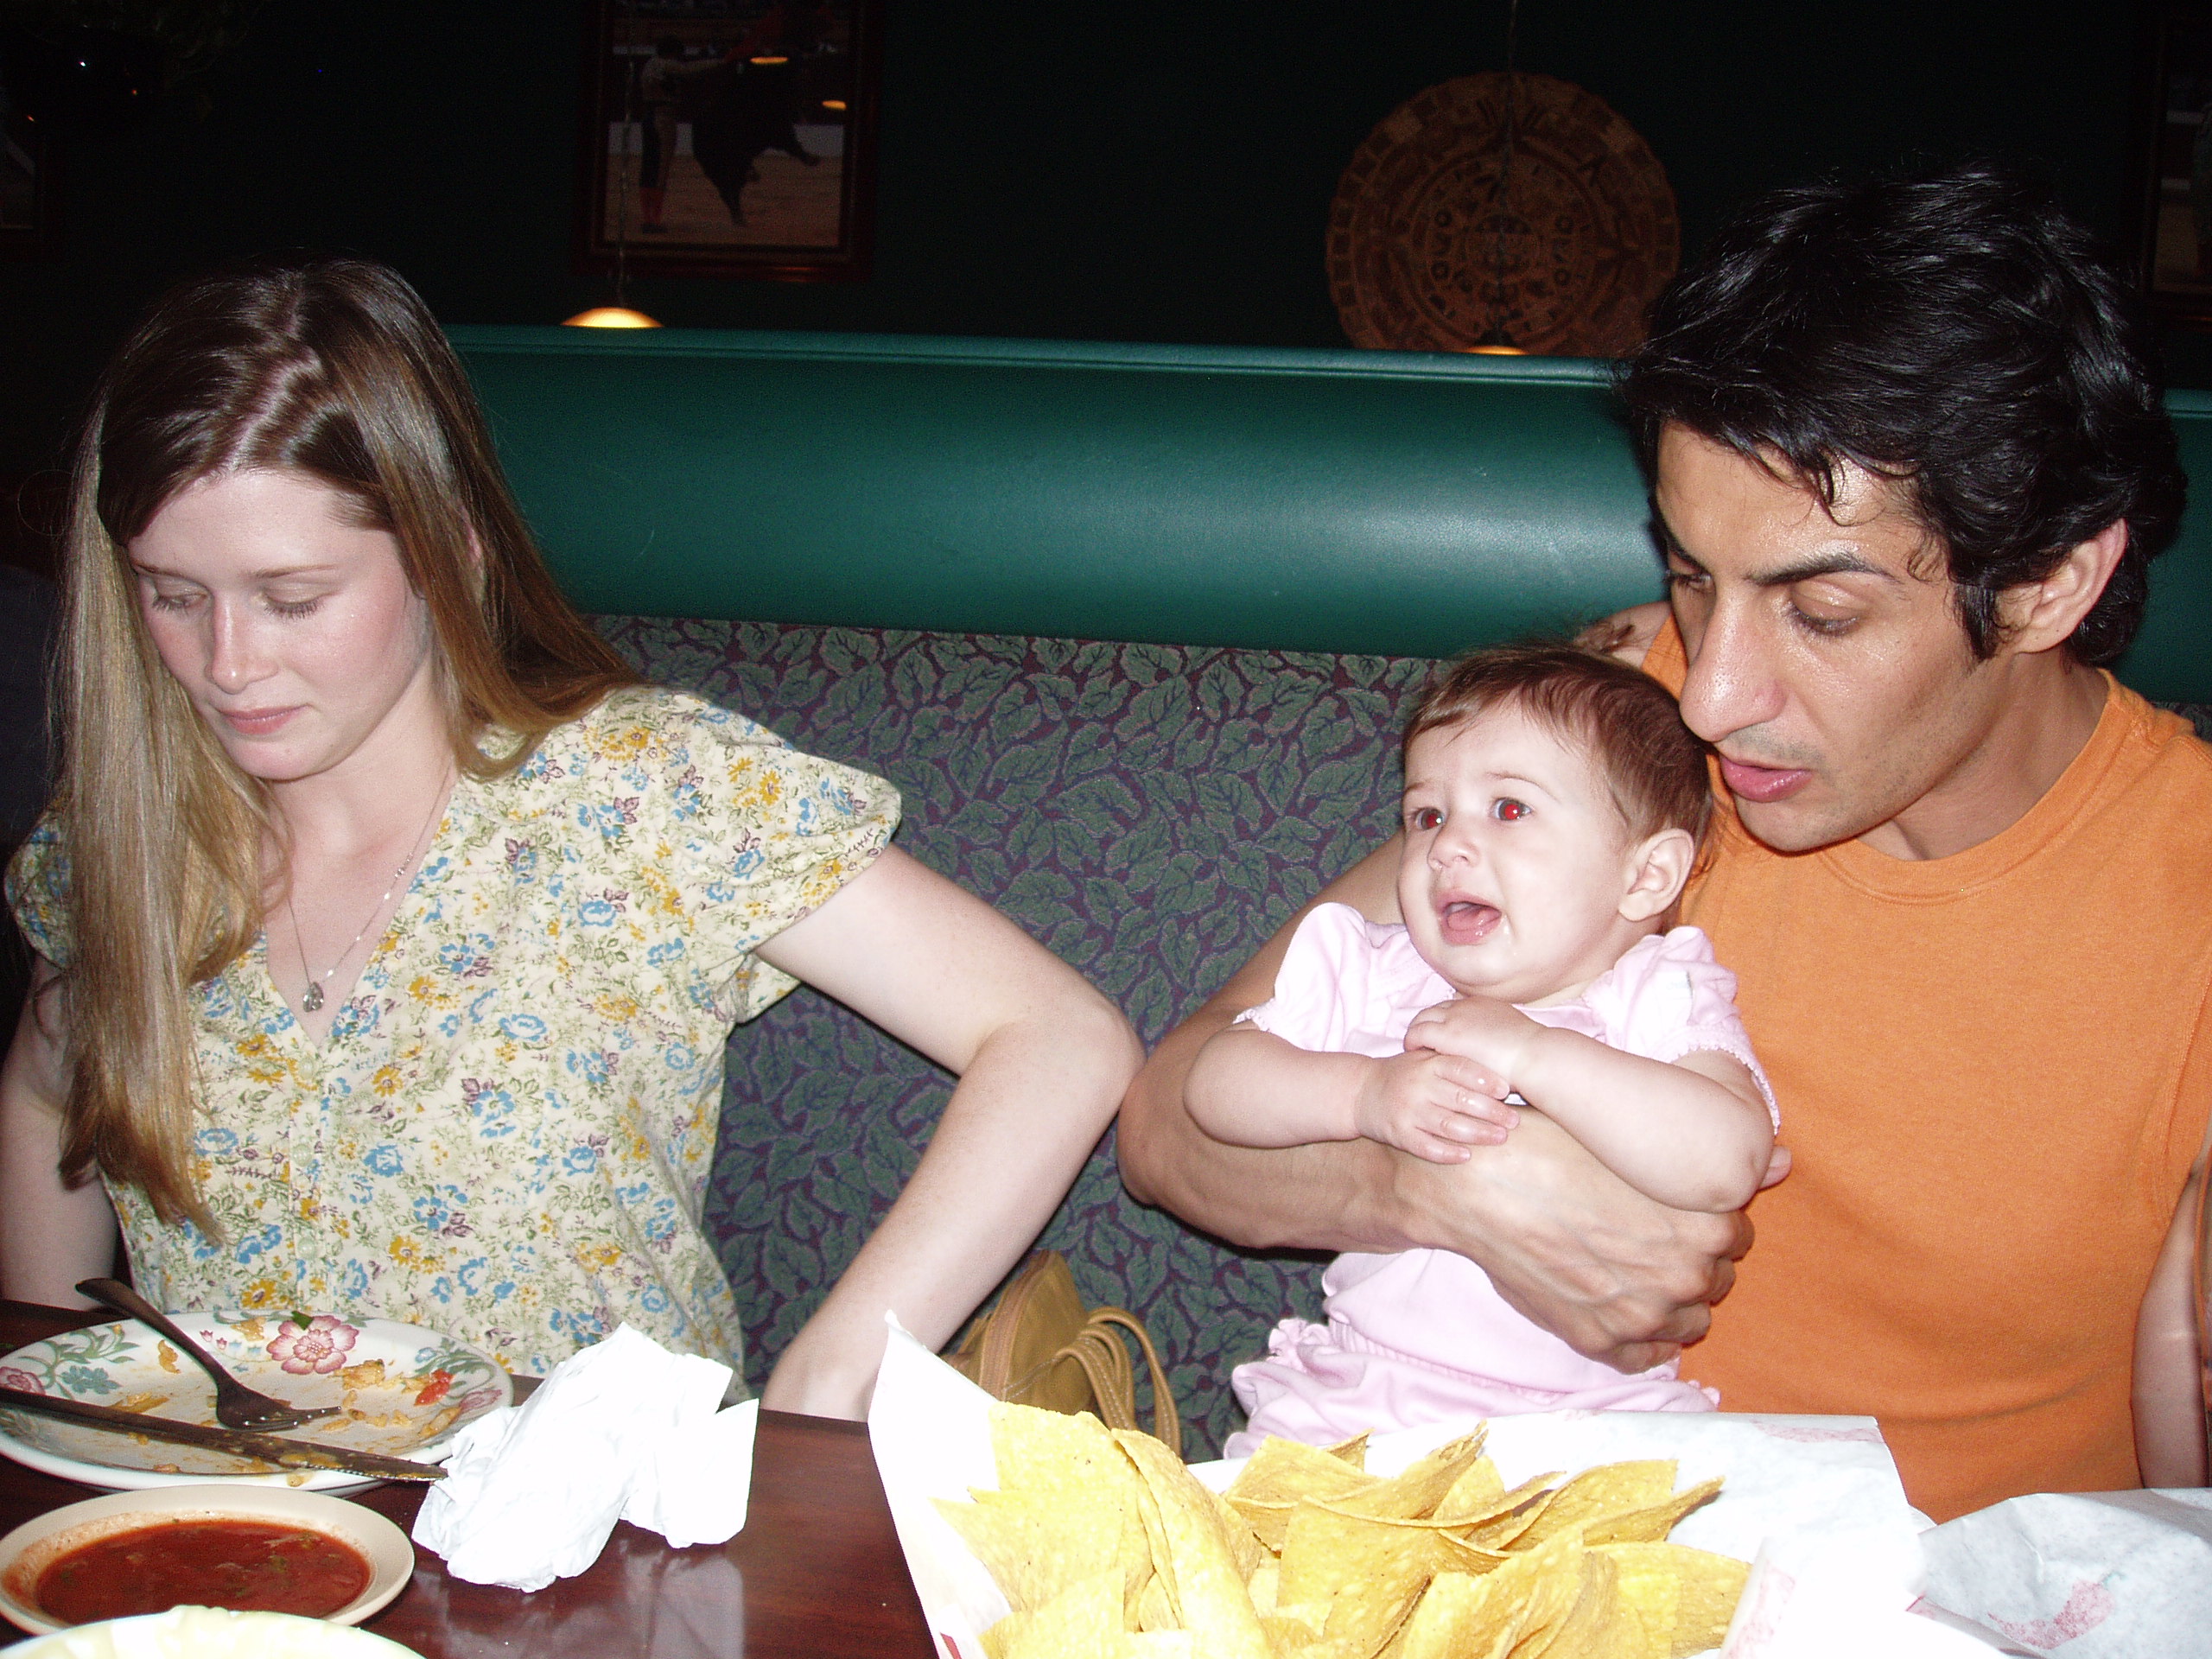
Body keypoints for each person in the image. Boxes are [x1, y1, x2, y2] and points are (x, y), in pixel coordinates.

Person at [1117, 162, 2212, 1522]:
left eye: (1821, 614)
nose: (1713, 695)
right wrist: (1436, 1192)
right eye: (1694, 575)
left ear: (2048, 584)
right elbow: (1166, 1122)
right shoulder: (1621, 731)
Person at [0, 254, 1141, 1419]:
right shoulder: (119, 841)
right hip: (214, 1511)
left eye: (292, 599)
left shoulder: (645, 797)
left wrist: (832, 1376)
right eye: (174, 596)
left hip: (592, 1515)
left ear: (450, 554)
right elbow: (48, 1091)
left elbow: (1058, 1036)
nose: (228, 663)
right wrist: (54, 1402)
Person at [1186, 645, 1774, 1454]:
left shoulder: (1657, 993)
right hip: (1367, 1392)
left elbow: (1726, 1159)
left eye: (1508, 809)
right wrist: (1360, 1095)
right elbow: (1214, 1085)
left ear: (1646, 877)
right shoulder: (1379, 970)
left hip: (1603, 1420)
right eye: (1426, 815)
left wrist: (1534, 1054)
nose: (1446, 847)